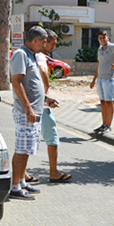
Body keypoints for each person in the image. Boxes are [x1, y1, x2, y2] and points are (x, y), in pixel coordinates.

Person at [9, 26, 58, 200]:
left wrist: (45, 98)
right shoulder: (21, 55)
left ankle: (21, 181)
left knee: (27, 149)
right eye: (44, 41)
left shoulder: (30, 55)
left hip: (34, 111)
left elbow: (33, 83)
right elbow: (17, 83)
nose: (46, 45)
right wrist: (29, 107)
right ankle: (15, 187)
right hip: (25, 112)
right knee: (21, 150)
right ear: (36, 40)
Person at [36, 29, 71, 183]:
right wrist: (46, 92)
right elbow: (43, 72)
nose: (53, 47)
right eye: (52, 43)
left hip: (35, 104)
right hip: (41, 106)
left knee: (27, 141)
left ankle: (22, 175)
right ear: (45, 42)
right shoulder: (40, 57)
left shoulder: (31, 55)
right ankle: (54, 172)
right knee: (53, 138)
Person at [90, 31, 114, 134]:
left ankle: (109, 125)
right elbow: (99, 64)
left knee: (109, 101)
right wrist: (94, 79)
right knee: (103, 102)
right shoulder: (100, 49)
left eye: (104, 37)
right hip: (100, 79)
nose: (102, 40)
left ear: (107, 37)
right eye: (100, 38)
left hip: (109, 79)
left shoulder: (112, 47)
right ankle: (104, 124)